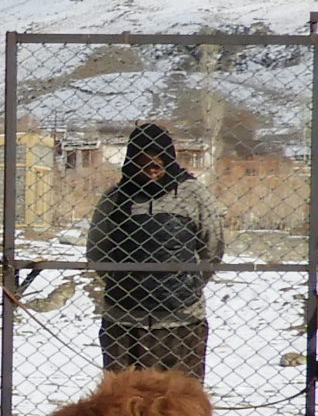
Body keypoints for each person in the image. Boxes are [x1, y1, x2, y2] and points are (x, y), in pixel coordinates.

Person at [87, 120, 228, 377]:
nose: (152, 170)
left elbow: (213, 248)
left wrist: (185, 285)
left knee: (177, 407)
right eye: (144, 163)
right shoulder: (115, 198)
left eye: (158, 163)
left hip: (182, 323)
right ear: (132, 162)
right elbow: (98, 251)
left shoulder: (193, 194)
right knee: (123, 408)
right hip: (124, 323)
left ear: (169, 161)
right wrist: (125, 284)